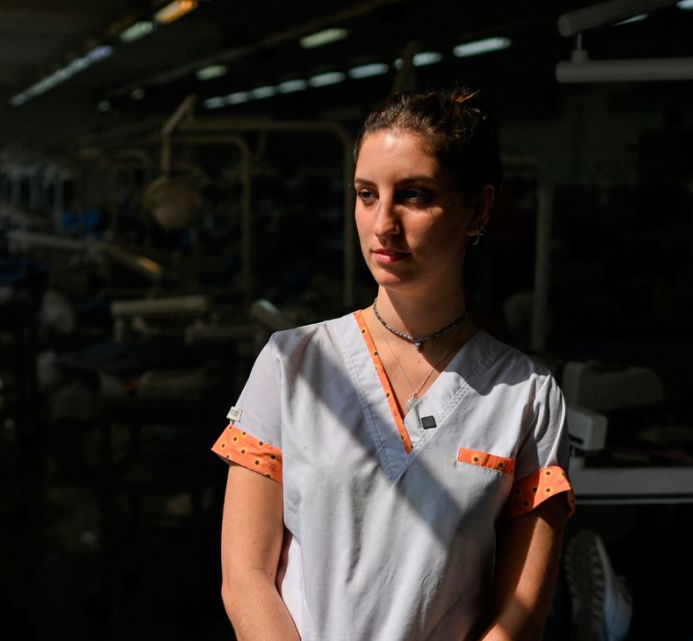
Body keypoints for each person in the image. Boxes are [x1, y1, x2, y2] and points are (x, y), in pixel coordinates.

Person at [213, 88, 575, 641]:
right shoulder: (293, 363)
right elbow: (245, 577)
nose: (383, 223)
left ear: (477, 209)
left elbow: (522, 610)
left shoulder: (524, 394)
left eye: (413, 195)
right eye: (366, 194)